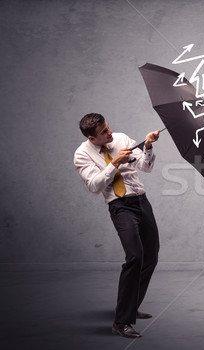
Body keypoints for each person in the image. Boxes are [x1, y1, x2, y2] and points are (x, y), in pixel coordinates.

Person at [74, 113, 161, 338]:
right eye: (104, 132)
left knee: (150, 256)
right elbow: (94, 186)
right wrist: (114, 164)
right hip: (120, 206)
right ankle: (121, 322)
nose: (110, 133)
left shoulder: (122, 139)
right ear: (93, 138)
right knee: (135, 256)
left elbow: (146, 167)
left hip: (141, 201)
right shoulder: (82, 155)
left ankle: (131, 307)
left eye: (108, 127)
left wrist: (148, 146)